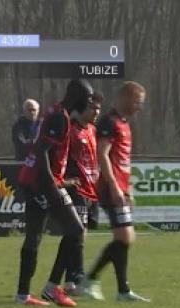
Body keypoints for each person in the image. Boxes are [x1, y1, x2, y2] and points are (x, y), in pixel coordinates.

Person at [14, 79, 91, 307]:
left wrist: (60, 181)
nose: (88, 104)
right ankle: (52, 287)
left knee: (34, 237)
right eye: (87, 98)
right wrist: (52, 187)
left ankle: (22, 295)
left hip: (32, 180)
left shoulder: (56, 111)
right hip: (41, 183)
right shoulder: (60, 117)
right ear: (77, 96)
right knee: (76, 229)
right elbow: (42, 151)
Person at [79, 81, 149, 302]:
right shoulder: (109, 122)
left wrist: (126, 189)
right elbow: (103, 155)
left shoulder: (123, 123)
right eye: (137, 102)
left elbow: (121, 161)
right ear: (125, 98)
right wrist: (114, 186)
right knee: (125, 236)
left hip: (119, 187)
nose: (139, 107)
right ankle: (91, 279)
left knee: (125, 237)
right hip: (109, 188)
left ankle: (122, 290)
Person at [62, 92, 103, 295]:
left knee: (82, 234)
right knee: (78, 233)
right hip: (76, 187)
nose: (96, 112)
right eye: (93, 108)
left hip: (91, 189)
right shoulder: (69, 130)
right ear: (81, 109)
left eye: (98, 109)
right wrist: (64, 180)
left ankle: (70, 279)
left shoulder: (92, 130)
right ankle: (75, 278)